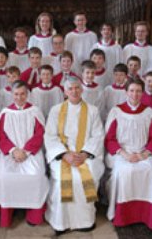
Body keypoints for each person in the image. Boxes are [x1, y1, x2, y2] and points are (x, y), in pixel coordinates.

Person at [104, 78, 152, 231]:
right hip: (122, 154)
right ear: (126, 92)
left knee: (151, 171)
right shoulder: (116, 111)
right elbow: (110, 139)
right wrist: (125, 154)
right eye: (132, 90)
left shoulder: (148, 112)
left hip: (143, 153)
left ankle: (148, 216)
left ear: (142, 92)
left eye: (139, 91)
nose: (135, 94)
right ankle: (123, 216)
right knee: (124, 172)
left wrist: (143, 155)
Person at [44, 77, 104, 235]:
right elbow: (50, 136)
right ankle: (61, 222)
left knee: (85, 178)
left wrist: (84, 154)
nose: (74, 91)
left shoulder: (93, 110)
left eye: (77, 88)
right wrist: (64, 154)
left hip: (85, 155)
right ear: (65, 91)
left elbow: (98, 136)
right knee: (64, 181)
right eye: (70, 88)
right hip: (63, 155)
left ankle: (85, 221)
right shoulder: (56, 110)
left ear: (82, 89)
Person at [0, 80, 49, 227]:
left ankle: (33, 214)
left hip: (30, 153)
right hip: (10, 153)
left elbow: (39, 134)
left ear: (27, 94)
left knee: (36, 176)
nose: (19, 97)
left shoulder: (35, 111)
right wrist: (13, 150)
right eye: (16, 94)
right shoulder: (6, 113)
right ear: (12, 94)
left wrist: (26, 151)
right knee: (5, 177)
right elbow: (1, 136)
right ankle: (9, 212)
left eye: (22, 94)